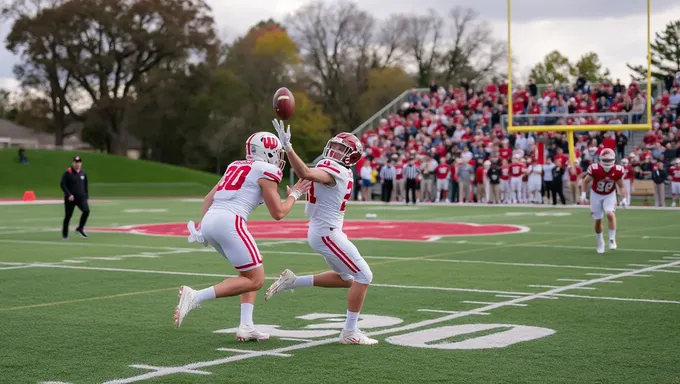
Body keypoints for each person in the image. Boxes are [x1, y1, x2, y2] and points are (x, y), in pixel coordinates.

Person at [173, 132, 311, 342]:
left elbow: (208, 197)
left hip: (211, 220)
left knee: (249, 274)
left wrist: (202, 228)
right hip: (230, 221)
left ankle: (246, 326)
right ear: (266, 152)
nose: (278, 158)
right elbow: (279, 213)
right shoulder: (267, 170)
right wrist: (296, 194)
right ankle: (195, 297)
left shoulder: (235, 165)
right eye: (276, 153)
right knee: (256, 280)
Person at [266, 120, 378, 345]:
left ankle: (292, 282)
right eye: (334, 146)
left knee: (348, 279)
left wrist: (297, 193)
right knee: (364, 276)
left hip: (324, 231)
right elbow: (304, 172)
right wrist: (288, 147)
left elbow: (315, 186)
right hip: (327, 233)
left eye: (341, 149)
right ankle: (349, 332)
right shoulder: (333, 168)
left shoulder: (334, 168)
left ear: (351, 156)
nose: (335, 150)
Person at [580, 148, 627, 254]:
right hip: (596, 195)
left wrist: (624, 198)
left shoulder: (617, 170)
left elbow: (621, 186)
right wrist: (583, 194)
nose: (607, 162)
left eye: (608, 160)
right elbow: (585, 181)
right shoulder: (595, 169)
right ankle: (600, 242)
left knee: (610, 214)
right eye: (605, 160)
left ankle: (612, 238)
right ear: (600, 159)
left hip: (609, 194)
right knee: (598, 220)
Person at [60, 156, 90, 239]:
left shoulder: (83, 173)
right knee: (68, 216)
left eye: (79, 162)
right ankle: (65, 234)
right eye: (76, 162)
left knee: (86, 211)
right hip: (70, 199)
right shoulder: (68, 172)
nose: (77, 164)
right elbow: (63, 184)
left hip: (81, 197)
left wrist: (86, 196)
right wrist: (68, 194)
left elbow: (85, 185)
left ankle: (80, 228)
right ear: (73, 163)